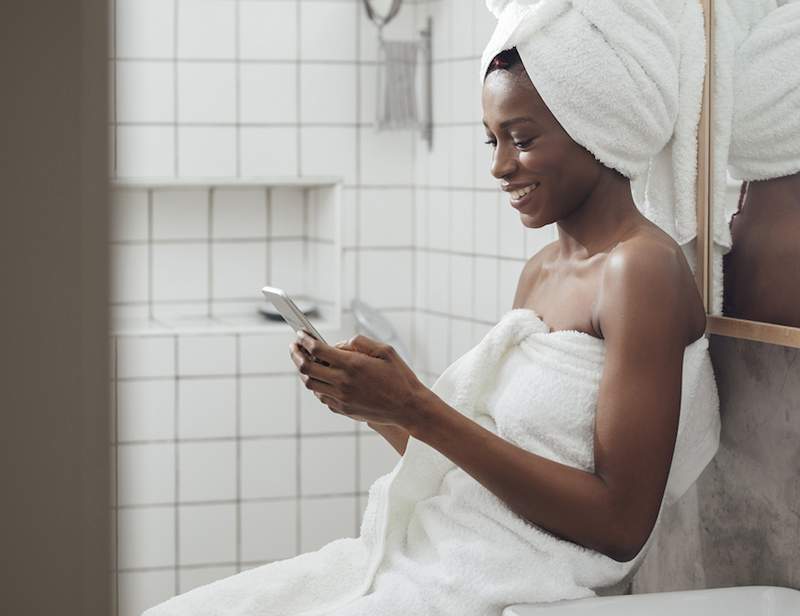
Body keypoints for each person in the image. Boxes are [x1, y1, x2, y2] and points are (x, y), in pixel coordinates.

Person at [143, 2, 719, 615]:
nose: (499, 166)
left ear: (594, 124)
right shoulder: (540, 274)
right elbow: (478, 479)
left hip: (495, 587)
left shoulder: (641, 270)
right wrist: (374, 404)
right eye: (492, 139)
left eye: (522, 140)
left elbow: (621, 524)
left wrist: (415, 405)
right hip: (428, 555)